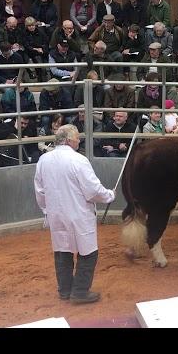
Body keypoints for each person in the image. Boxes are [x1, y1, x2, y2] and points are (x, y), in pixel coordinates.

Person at [34, 124, 116, 304]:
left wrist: (47, 211)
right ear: (70, 140)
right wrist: (109, 195)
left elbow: (39, 191)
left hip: (56, 214)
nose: (79, 140)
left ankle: (65, 290)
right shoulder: (78, 160)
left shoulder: (43, 160)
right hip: (78, 214)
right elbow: (92, 190)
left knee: (62, 250)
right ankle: (79, 292)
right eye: (77, 138)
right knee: (88, 252)